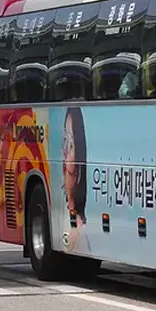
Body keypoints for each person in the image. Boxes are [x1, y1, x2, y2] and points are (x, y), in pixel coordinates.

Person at [62, 106, 90, 253]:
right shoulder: (64, 220)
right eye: (65, 142)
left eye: (71, 145)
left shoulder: (81, 234)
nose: (64, 154)